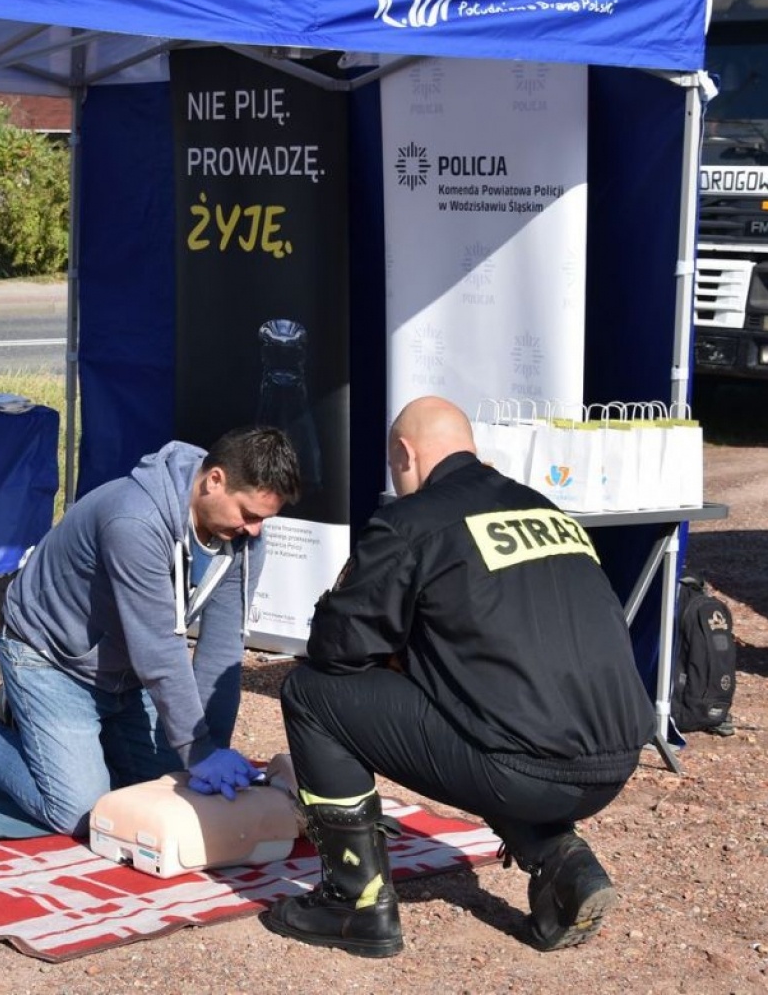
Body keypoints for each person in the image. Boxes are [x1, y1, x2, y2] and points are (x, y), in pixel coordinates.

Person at [261, 396, 651, 958]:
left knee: (312, 693)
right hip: (615, 761)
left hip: (526, 768)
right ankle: (561, 860)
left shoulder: (411, 520)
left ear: (404, 453)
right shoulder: (545, 508)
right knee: (480, 703)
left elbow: (337, 647)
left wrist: (398, 650)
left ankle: (355, 902)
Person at [0, 425, 303, 836]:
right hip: (50, 658)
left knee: (165, 791)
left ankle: (27, 718)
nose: (256, 530)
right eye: (249, 514)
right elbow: (158, 649)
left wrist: (209, 751)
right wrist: (198, 749)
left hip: (125, 670)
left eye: (264, 519)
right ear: (215, 480)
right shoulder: (135, 519)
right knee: (81, 813)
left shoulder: (245, 541)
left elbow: (221, 651)